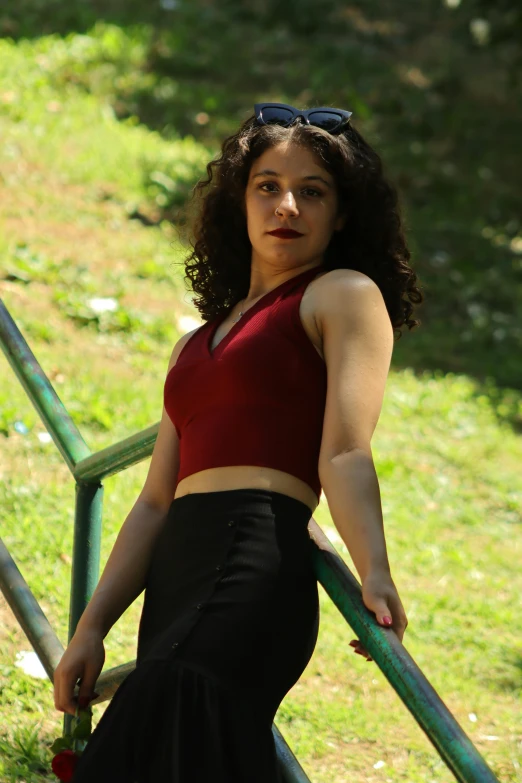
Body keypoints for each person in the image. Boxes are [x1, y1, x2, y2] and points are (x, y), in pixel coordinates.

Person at [53, 102, 423, 782]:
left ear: (342, 213)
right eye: (267, 185)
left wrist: (373, 567)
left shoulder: (340, 295)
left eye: (312, 190)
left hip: (256, 558)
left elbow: (344, 451)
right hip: (177, 569)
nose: (287, 204)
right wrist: (91, 629)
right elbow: (155, 503)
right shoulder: (193, 344)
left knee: (165, 729)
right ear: (240, 202)